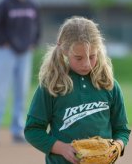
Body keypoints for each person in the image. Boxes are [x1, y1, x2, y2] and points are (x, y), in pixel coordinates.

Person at [24, 16, 131, 164]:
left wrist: (118, 146)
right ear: (64, 51)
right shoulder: (52, 85)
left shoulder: (109, 85)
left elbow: (122, 129)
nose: (86, 64)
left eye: (92, 56)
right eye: (79, 58)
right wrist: (61, 148)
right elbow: (32, 130)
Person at [0, 0, 40, 145]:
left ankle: (18, 130)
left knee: (22, 93)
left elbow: (37, 27)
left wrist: (34, 42)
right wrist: (2, 42)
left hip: (25, 54)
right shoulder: (5, 3)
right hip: (6, 54)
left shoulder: (32, 4)